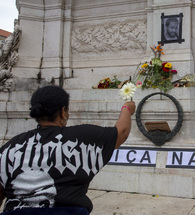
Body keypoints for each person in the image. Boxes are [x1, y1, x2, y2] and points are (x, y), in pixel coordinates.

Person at [0, 85, 135, 214]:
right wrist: (126, 109)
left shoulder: (10, 147)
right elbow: (121, 132)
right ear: (63, 111)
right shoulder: (83, 137)